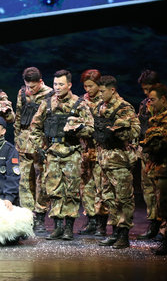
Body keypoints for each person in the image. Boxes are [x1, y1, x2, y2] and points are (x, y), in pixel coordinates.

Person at [30, 70, 94, 240]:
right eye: (55, 84)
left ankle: (69, 227)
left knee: (71, 190)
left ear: (69, 85)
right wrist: (41, 148)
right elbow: (35, 127)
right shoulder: (47, 104)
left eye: (61, 84)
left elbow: (90, 129)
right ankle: (58, 226)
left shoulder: (79, 104)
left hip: (72, 152)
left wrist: (78, 129)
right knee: (54, 189)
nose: (57, 87)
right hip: (52, 152)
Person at [93, 75, 140, 249]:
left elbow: (135, 131)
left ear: (112, 90)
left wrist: (115, 130)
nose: (100, 95)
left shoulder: (124, 107)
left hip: (119, 159)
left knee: (123, 198)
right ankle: (114, 231)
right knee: (108, 197)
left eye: (102, 91)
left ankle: (123, 234)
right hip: (104, 159)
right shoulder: (100, 106)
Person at [141, 83, 167, 255]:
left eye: (153, 100)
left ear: (164, 99)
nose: (149, 103)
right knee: (162, 206)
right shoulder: (159, 115)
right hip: (160, 167)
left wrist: (151, 137)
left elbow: (166, 139)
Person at [136, 69, 167, 241]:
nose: (146, 93)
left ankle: (164, 228)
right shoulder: (143, 104)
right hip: (147, 154)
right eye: (144, 89)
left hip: (161, 155)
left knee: (162, 192)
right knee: (148, 190)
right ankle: (153, 223)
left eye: (149, 89)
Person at [13, 67, 54, 236]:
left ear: (41, 82)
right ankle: (28, 216)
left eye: (33, 86)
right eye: (28, 86)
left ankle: (40, 216)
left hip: (41, 143)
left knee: (41, 181)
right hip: (23, 142)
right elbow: (18, 116)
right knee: (24, 181)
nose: (30, 89)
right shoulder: (22, 93)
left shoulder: (50, 94)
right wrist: (16, 138)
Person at [78, 69, 109, 236]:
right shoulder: (81, 101)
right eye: (85, 86)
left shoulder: (105, 102)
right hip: (85, 150)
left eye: (91, 86)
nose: (88, 89)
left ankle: (101, 223)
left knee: (101, 187)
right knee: (86, 186)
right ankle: (90, 219)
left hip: (100, 150)